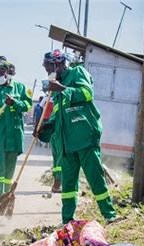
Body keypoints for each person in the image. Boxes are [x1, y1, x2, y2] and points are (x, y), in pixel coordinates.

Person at [36, 49, 116, 224]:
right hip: (67, 142)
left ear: (58, 64)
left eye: (49, 67)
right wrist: (45, 128)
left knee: (95, 178)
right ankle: (67, 220)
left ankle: (109, 215)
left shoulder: (77, 73)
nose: (47, 71)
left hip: (85, 136)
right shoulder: (56, 88)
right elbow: (59, 114)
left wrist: (62, 89)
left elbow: (87, 94)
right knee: (69, 185)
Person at [0, 56, 32, 201]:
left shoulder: (20, 88)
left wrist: (14, 102)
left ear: (7, 73)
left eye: (0, 74)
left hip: (15, 134)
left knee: (9, 169)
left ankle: (6, 195)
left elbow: (27, 106)